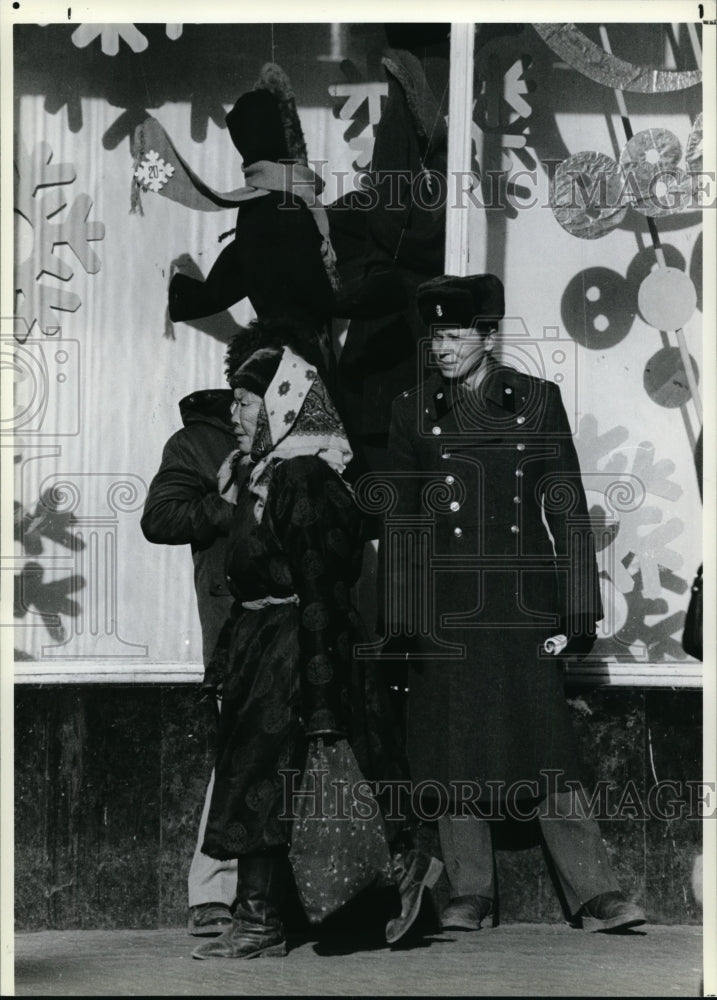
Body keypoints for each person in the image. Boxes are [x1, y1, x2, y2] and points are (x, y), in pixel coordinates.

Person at [381, 273, 647, 935]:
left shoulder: (533, 401)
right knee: (453, 748)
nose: (439, 347)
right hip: (447, 609)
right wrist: (404, 619)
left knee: (546, 746)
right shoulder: (411, 410)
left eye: (452, 334)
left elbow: (566, 503)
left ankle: (595, 894)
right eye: (433, 336)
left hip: (522, 605)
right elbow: (401, 524)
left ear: (488, 335)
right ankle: (471, 893)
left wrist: (577, 614)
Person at [192, 320, 442, 960]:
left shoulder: (302, 477)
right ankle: (403, 865)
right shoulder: (260, 475)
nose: (238, 417)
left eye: (247, 405)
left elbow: (318, 587)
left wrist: (322, 692)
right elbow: (246, 584)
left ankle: (260, 922)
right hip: (264, 646)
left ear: (283, 404)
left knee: (265, 782)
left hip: (301, 651)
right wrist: (226, 665)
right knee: (299, 784)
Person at [140, 326, 269, 937]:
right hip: (237, 624)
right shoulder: (200, 440)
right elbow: (160, 517)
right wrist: (234, 506)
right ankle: (212, 892)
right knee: (238, 753)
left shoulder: (317, 431)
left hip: (305, 621)